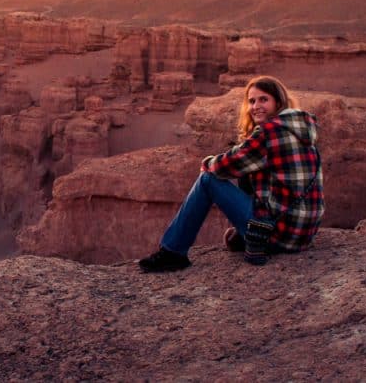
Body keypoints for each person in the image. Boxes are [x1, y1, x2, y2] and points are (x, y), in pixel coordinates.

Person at [138, 75, 324, 272]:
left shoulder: (269, 133)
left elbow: (225, 166)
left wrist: (207, 162)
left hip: (278, 236)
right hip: (303, 235)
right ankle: (247, 234)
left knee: (208, 180)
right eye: (251, 101)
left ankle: (173, 252)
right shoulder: (301, 129)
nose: (256, 106)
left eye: (263, 99)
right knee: (245, 172)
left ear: (278, 102)